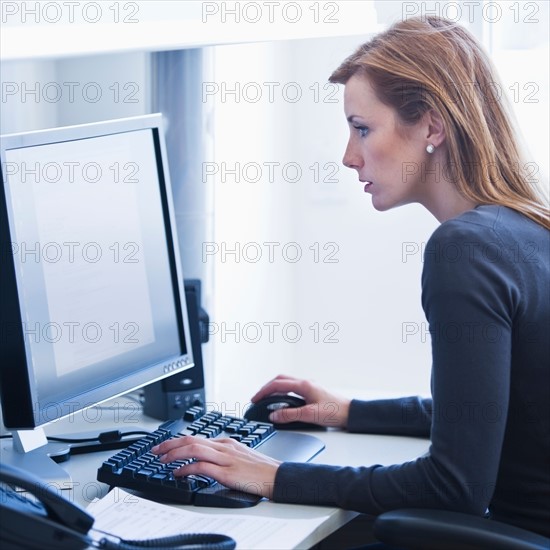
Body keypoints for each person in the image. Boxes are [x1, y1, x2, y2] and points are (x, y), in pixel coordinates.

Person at [152, 16, 550, 539]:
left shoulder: (465, 249)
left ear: (432, 126)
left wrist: (274, 475)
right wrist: (350, 411)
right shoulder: (525, 224)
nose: (348, 155)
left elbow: (454, 485)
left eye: (362, 128)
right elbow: (484, 410)